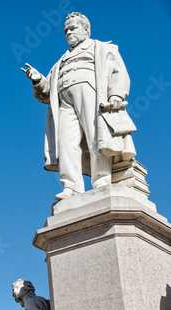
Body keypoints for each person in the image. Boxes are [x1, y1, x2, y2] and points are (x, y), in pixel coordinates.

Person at [22, 12, 136, 200]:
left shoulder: (102, 48)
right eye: (66, 30)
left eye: (73, 28)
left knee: (95, 136)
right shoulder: (61, 60)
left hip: (92, 93)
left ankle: (101, 180)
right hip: (64, 101)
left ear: (86, 29)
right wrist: (38, 80)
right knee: (66, 142)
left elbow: (119, 72)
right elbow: (46, 92)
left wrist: (116, 94)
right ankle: (71, 186)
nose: (68, 32)